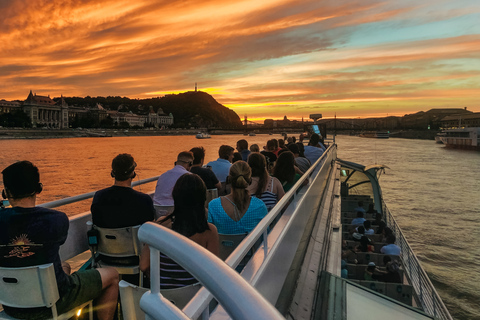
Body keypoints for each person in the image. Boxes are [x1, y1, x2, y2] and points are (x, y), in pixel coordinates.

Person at [0, 161, 118, 320]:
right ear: (38, 188)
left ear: (6, 193)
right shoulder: (56, 219)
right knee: (112, 275)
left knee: (65, 266)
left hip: (12, 306)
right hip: (53, 303)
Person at [140, 174, 219, 288]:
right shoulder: (209, 231)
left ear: (175, 196)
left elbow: (143, 266)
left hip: (163, 297)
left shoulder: (160, 225)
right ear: (203, 198)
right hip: (194, 299)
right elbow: (213, 272)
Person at [91, 153, 155, 228]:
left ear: (112, 173)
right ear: (132, 173)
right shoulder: (144, 200)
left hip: (105, 240)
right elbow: (150, 228)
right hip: (133, 239)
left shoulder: (99, 196)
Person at [208, 161, 268, 234]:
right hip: (252, 245)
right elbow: (266, 234)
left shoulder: (214, 205)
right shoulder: (260, 206)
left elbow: (209, 233)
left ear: (229, 179)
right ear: (249, 181)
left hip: (223, 245)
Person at [153, 151, 193, 216]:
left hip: (157, 211)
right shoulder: (189, 176)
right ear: (189, 164)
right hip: (175, 212)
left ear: (176, 163)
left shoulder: (163, 176)